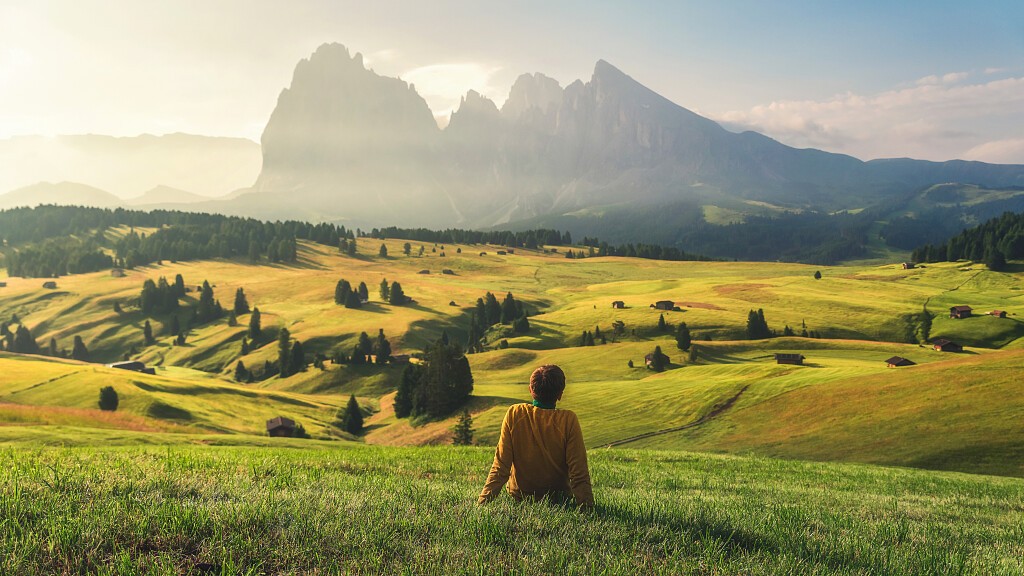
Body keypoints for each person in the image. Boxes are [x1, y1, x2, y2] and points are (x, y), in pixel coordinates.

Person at [478, 364, 593, 508]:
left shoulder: (515, 414)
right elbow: (579, 472)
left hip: (520, 497)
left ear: (531, 390)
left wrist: (482, 503)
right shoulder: (568, 420)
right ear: (560, 394)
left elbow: (500, 466)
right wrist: (588, 508)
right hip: (559, 499)